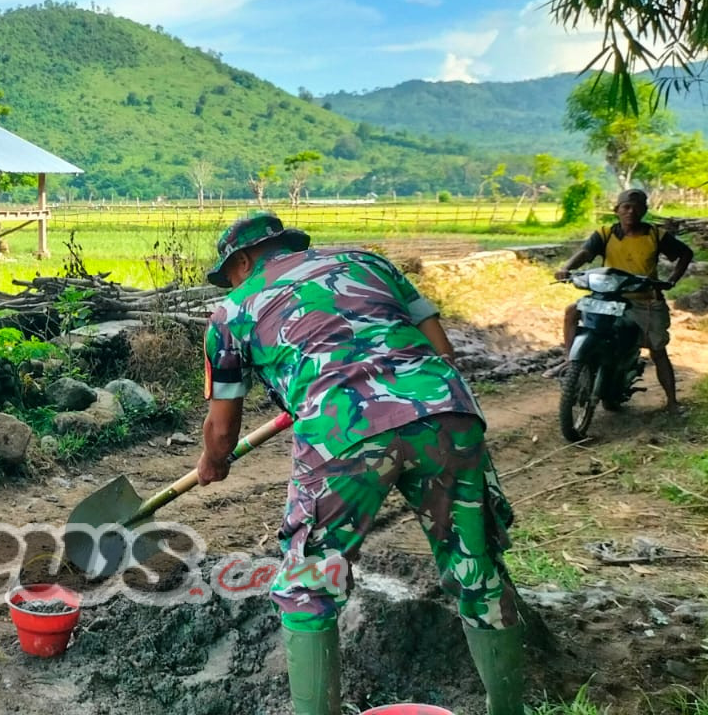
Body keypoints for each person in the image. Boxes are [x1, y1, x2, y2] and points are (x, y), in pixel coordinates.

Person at [196, 212, 524, 715]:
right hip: (444, 410)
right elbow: (442, 350)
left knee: (309, 584)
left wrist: (212, 463)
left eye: (230, 275)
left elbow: (222, 430)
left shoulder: (231, 312)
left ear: (241, 262)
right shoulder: (369, 262)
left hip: (342, 429)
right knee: (475, 566)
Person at [555, 188, 695, 412]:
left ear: (644, 211)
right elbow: (585, 253)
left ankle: (672, 401)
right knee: (572, 311)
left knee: (657, 350)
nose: (631, 211)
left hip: (644, 299)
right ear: (616, 210)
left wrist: (671, 280)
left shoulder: (655, 234)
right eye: (626, 207)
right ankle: (571, 360)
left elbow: (685, 253)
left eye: (636, 207)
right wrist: (566, 268)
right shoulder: (606, 234)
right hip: (608, 297)